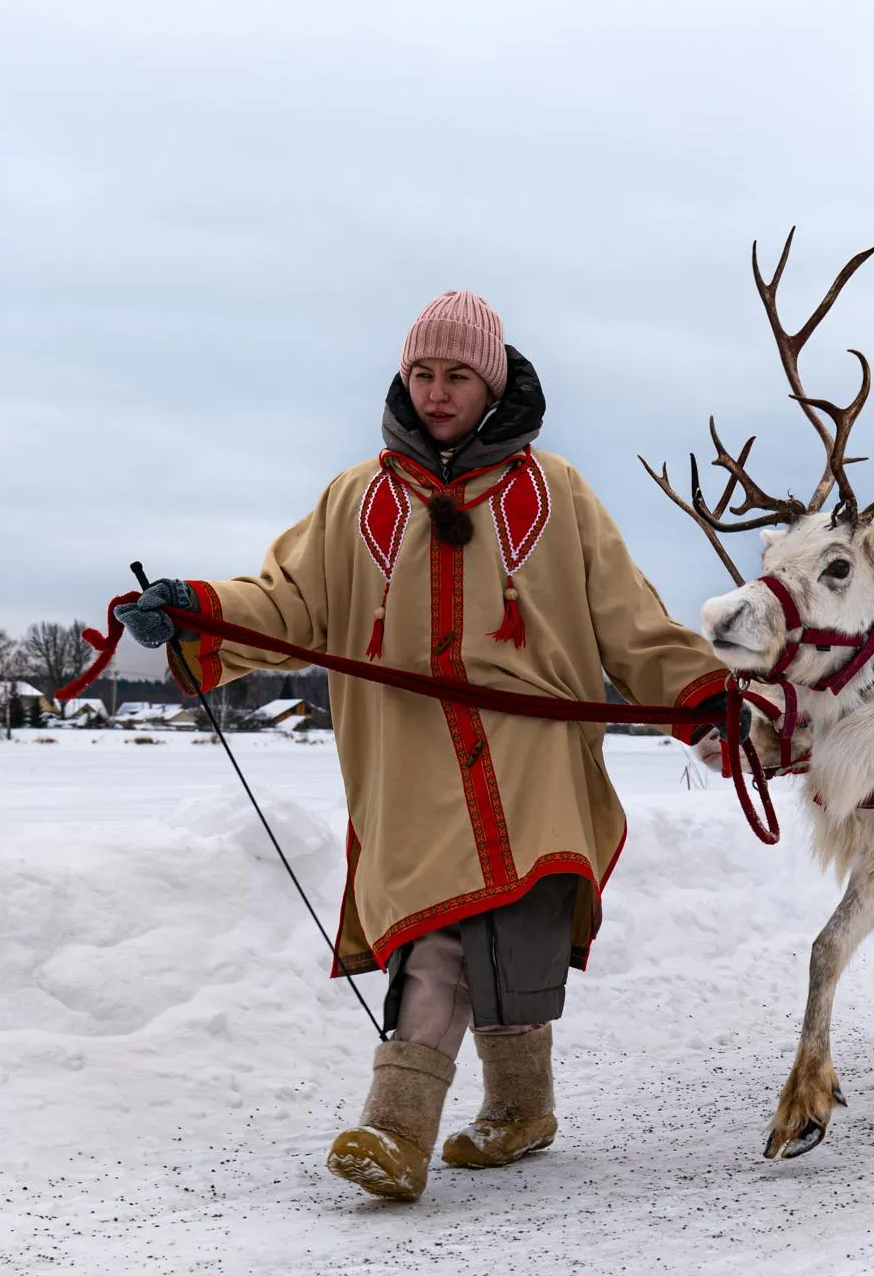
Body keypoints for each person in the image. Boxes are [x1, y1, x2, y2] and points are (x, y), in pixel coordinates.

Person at [113, 291, 732, 1201]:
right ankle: (436, 1124)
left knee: (501, 940)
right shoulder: (355, 498)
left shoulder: (556, 493)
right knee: (436, 940)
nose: (437, 393)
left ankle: (468, 1118)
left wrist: (705, 695)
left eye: (457, 376)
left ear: (492, 382)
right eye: (422, 374)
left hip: (529, 762)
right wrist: (194, 609)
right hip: (406, 768)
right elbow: (285, 604)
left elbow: (630, 624)